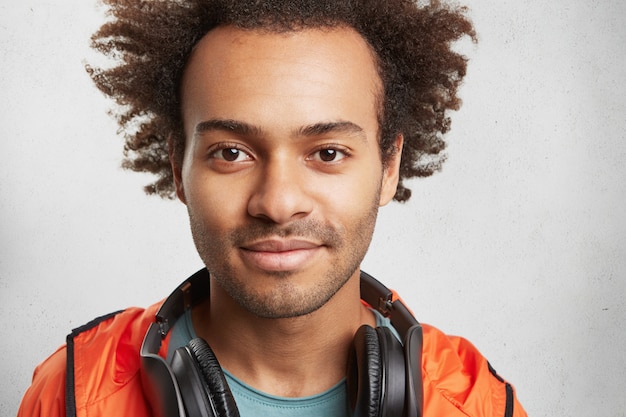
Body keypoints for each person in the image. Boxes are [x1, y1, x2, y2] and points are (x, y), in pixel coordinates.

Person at [18, 0, 527, 416]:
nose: (279, 203)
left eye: (328, 153)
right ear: (179, 169)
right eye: (231, 153)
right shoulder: (74, 395)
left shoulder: (475, 403)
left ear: (389, 166)